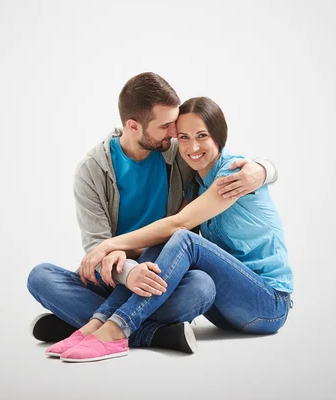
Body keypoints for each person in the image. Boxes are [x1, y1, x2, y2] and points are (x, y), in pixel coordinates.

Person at [27, 73, 278, 355]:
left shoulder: (179, 154)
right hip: (117, 277)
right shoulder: (92, 171)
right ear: (133, 126)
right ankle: (154, 334)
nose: (175, 133)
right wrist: (130, 272)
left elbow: (217, 157)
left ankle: (90, 324)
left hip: (162, 276)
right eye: (167, 126)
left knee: (202, 285)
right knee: (40, 277)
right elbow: (96, 250)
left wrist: (263, 169)